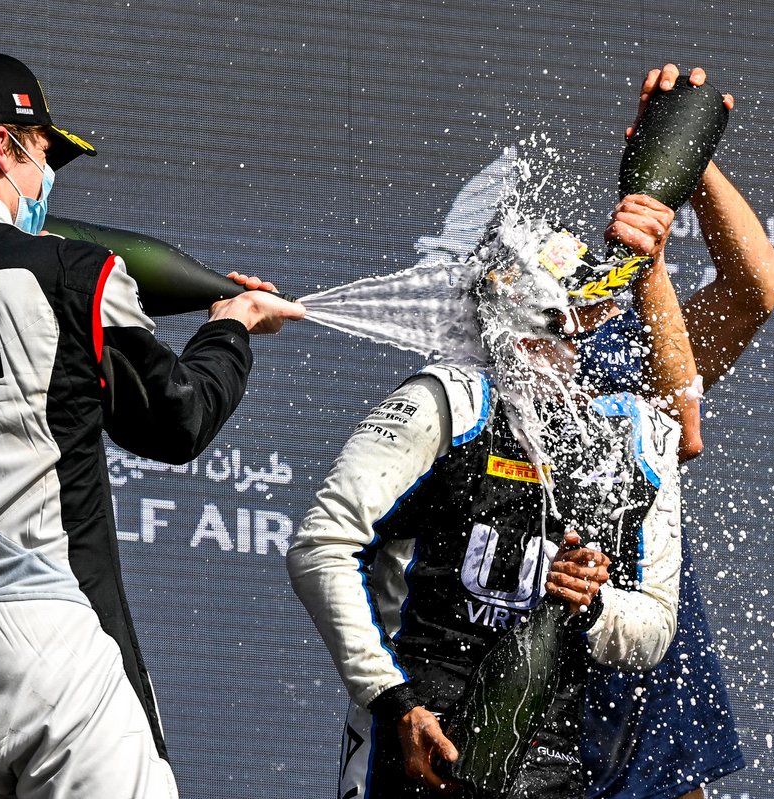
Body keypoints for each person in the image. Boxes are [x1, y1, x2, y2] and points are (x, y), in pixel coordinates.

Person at [0, 50, 305, 798]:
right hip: (51, 644)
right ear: (3, 144)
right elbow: (177, 419)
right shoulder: (68, 270)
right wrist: (233, 325)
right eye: (45, 156)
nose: (45, 180)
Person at [287, 204, 686, 799]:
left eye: (583, 319)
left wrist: (595, 603)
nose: (571, 340)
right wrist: (396, 704)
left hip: (547, 756)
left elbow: (655, 628)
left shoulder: (636, 440)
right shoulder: (446, 404)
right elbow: (322, 546)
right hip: (417, 734)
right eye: (556, 321)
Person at [579, 64, 774, 799]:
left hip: (654, 696)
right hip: (546, 700)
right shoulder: (481, 399)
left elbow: (757, 290)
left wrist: (683, 158)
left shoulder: (622, 362)